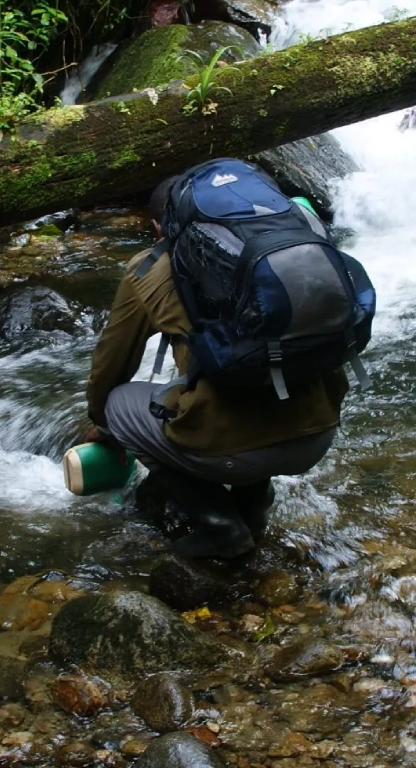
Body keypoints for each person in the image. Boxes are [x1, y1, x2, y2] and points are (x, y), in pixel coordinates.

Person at [80, 176, 350, 559]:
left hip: (233, 455)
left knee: (118, 405)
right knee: (263, 363)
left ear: (158, 227)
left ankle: (220, 523)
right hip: (319, 433)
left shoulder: (149, 268)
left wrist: (103, 425)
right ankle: (253, 506)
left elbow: (112, 362)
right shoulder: (286, 248)